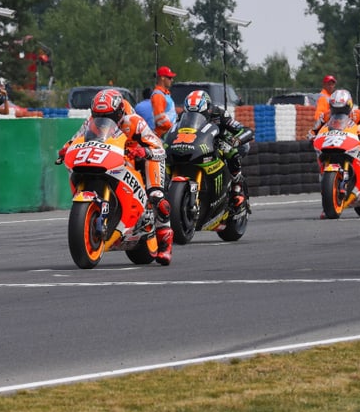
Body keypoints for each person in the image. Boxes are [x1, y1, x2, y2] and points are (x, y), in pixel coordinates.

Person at [57, 88, 173, 264]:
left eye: (109, 116)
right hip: (110, 157)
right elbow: (76, 138)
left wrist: (144, 151)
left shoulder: (134, 121)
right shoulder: (91, 122)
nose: (104, 120)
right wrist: (65, 149)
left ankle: (165, 243)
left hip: (140, 157)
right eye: (98, 115)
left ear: (119, 112)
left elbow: (159, 148)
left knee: (157, 196)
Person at [182, 89, 255, 211]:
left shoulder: (219, 113)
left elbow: (244, 129)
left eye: (200, 112)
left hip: (217, 141)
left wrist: (236, 140)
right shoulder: (183, 117)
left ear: (208, 108)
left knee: (231, 152)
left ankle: (237, 188)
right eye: (190, 112)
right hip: (195, 144)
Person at [150, 65, 177, 137]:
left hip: (168, 133)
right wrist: (173, 128)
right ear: (162, 78)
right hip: (163, 135)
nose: (172, 80)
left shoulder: (165, 94)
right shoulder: (158, 95)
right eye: (169, 78)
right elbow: (160, 118)